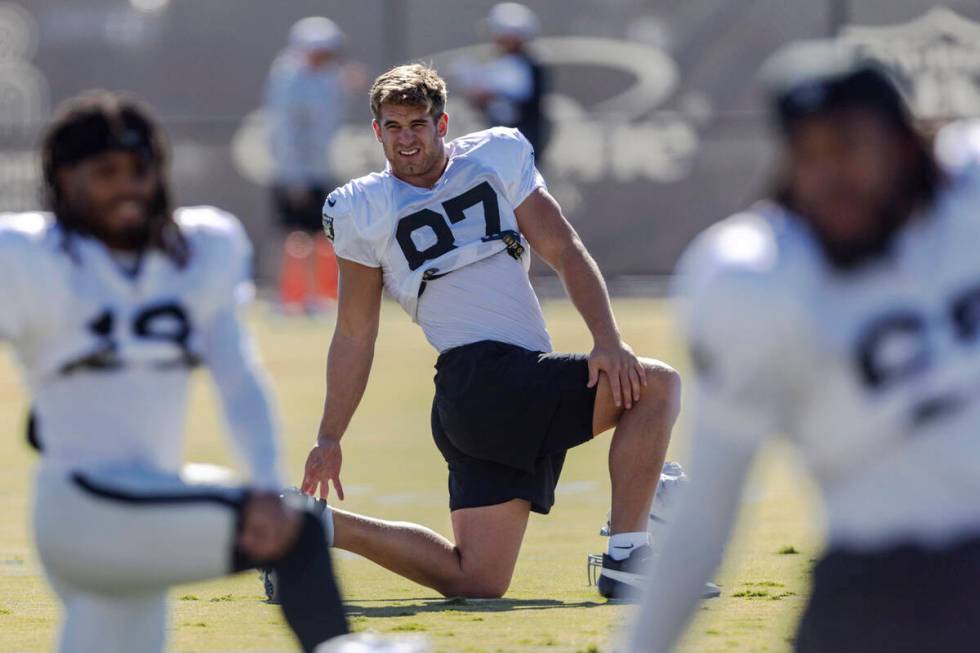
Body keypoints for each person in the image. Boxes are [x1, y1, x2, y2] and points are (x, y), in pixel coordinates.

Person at [627, 41, 980, 653]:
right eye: (807, 151)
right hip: (882, 592)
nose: (827, 175)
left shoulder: (968, 194)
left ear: (902, 143)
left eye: (847, 146)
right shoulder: (756, 276)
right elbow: (707, 509)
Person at [300, 62, 681, 601]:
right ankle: (628, 557)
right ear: (376, 131)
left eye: (418, 124)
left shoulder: (494, 157)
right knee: (656, 388)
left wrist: (607, 339)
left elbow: (564, 249)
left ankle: (316, 527)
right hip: (483, 377)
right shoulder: (362, 207)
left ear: (443, 123)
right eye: (393, 126)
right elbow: (355, 334)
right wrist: (329, 435)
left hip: (474, 400)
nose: (406, 138)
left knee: (476, 578)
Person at [7, 91, 347, 653]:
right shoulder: (28, 253)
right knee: (299, 531)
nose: (127, 187)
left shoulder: (201, 248)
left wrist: (263, 483)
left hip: (145, 507)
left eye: (139, 170)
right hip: (84, 506)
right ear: (65, 179)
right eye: (106, 173)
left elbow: (238, 377)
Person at [265, 16, 350, 313]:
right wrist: (294, 177)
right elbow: (288, 132)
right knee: (291, 234)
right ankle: (287, 297)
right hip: (294, 173)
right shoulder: (288, 79)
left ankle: (317, 296)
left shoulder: (329, 77)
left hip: (320, 169)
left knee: (321, 234)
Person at [457, 2, 551, 159]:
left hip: (521, 148)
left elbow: (517, 103)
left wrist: (488, 94)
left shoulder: (528, 65)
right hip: (504, 146)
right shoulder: (504, 63)